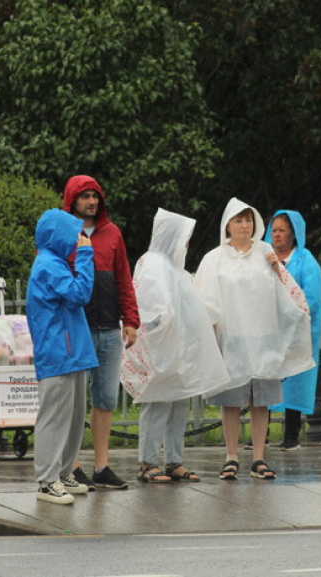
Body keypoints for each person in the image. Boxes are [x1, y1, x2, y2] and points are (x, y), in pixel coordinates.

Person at [194, 198, 313, 481]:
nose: (244, 226)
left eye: (248, 220)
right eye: (238, 220)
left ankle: (259, 456)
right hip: (232, 337)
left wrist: (275, 268)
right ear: (228, 225)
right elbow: (204, 297)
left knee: (261, 399)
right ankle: (231, 455)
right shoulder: (215, 258)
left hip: (263, 336)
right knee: (232, 399)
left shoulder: (265, 252)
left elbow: (286, 291)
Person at [122, 209, 233, 483]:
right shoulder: (153, 263)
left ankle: (174, 460)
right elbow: (153, 306)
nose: (186, 244)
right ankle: (148, 462)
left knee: (178, 403)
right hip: (161, 349)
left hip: (178, 350)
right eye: (184, 237)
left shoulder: (175, 269)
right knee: (157, 404)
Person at [64, 175, 140, 491]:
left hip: (109, 329)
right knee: (75, 401)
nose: (91, 202)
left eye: (95, 196)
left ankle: (101, 465)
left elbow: (123, 278)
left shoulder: (112, 234)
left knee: (106, 399)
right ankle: (73, 465)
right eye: (85, 197)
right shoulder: (64, 232)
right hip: (78, 328)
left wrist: (131, 319)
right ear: (72, 200)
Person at [27, 209, 98, 504]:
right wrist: (85, 257)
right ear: (59, 235)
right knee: (55, 418)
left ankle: (64, 471)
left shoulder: (54, 262)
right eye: (74, 233)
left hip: (71, 351)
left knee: (72, 418)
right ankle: (47, 481)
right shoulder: (48, 264)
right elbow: (80, 294)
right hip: (59, 353)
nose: (79, 239)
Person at [265, 210, 321, 451]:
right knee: (265, 380)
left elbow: (311, 298)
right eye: (274, 230)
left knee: (295, 381)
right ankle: (262, 433)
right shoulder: (264, 256)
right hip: (268, 332)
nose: (277, 235)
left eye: (282, 230)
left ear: (293, 234)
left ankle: (292, 434)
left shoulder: (306, 261)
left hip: (296, 334)